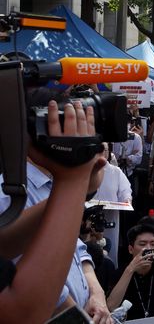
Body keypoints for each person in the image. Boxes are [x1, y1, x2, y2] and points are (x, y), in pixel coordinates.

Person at [0, 94, 108, 323]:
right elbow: (22, 312)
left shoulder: (54, 185)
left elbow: (76, 249)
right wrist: (74, 183)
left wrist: (96, 294)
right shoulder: (10, 192)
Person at [93, 143, 132, 266]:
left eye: (105, 150)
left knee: (111, 247)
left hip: (110, 215)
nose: (102, 153)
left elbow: (125, 190)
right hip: (90, 215)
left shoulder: (115, 171)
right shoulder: (86, 170)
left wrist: (127, 199)